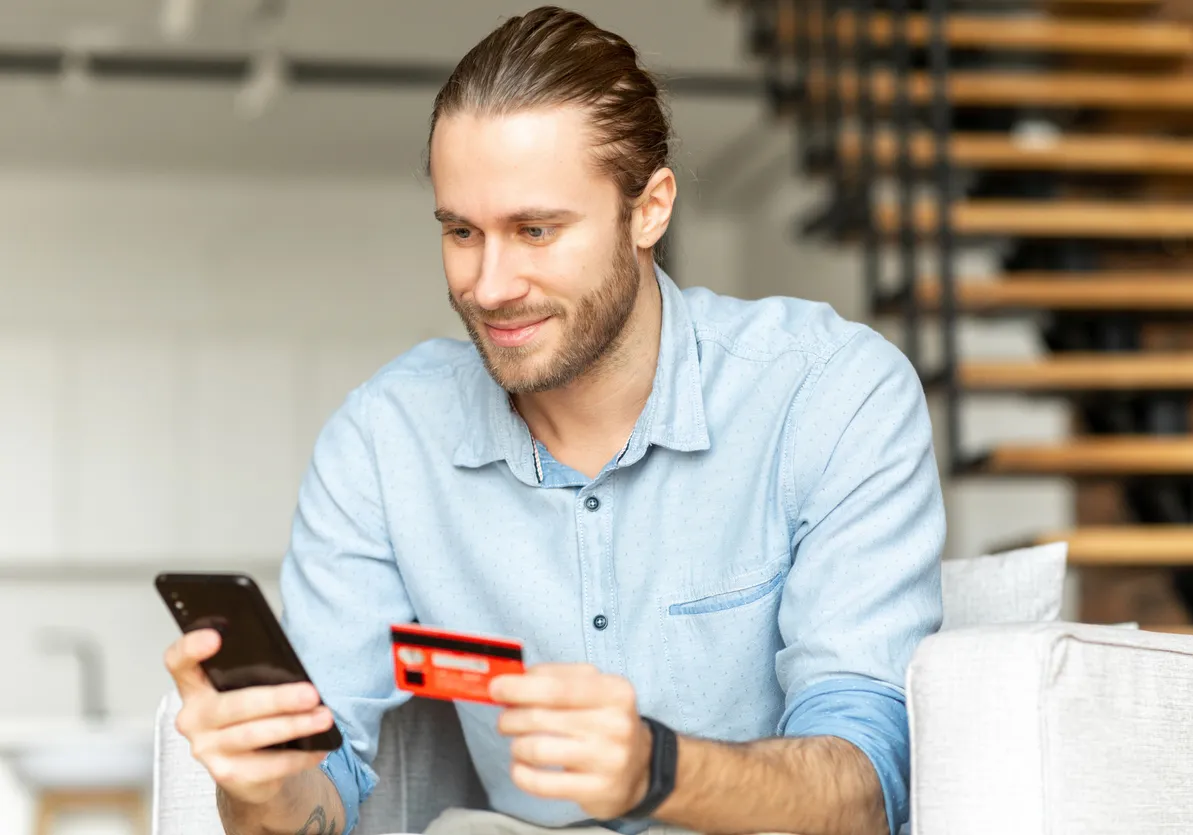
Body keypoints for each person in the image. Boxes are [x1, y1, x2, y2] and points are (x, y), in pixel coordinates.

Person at [161, 6, 944, 835]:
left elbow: (865, 787)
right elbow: (328, 788)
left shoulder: (827, 392)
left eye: (535, 230)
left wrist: (660, 770)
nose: (490, 284)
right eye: (462, 231)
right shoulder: (383, 443)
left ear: (649, 209)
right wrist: (261, 787)